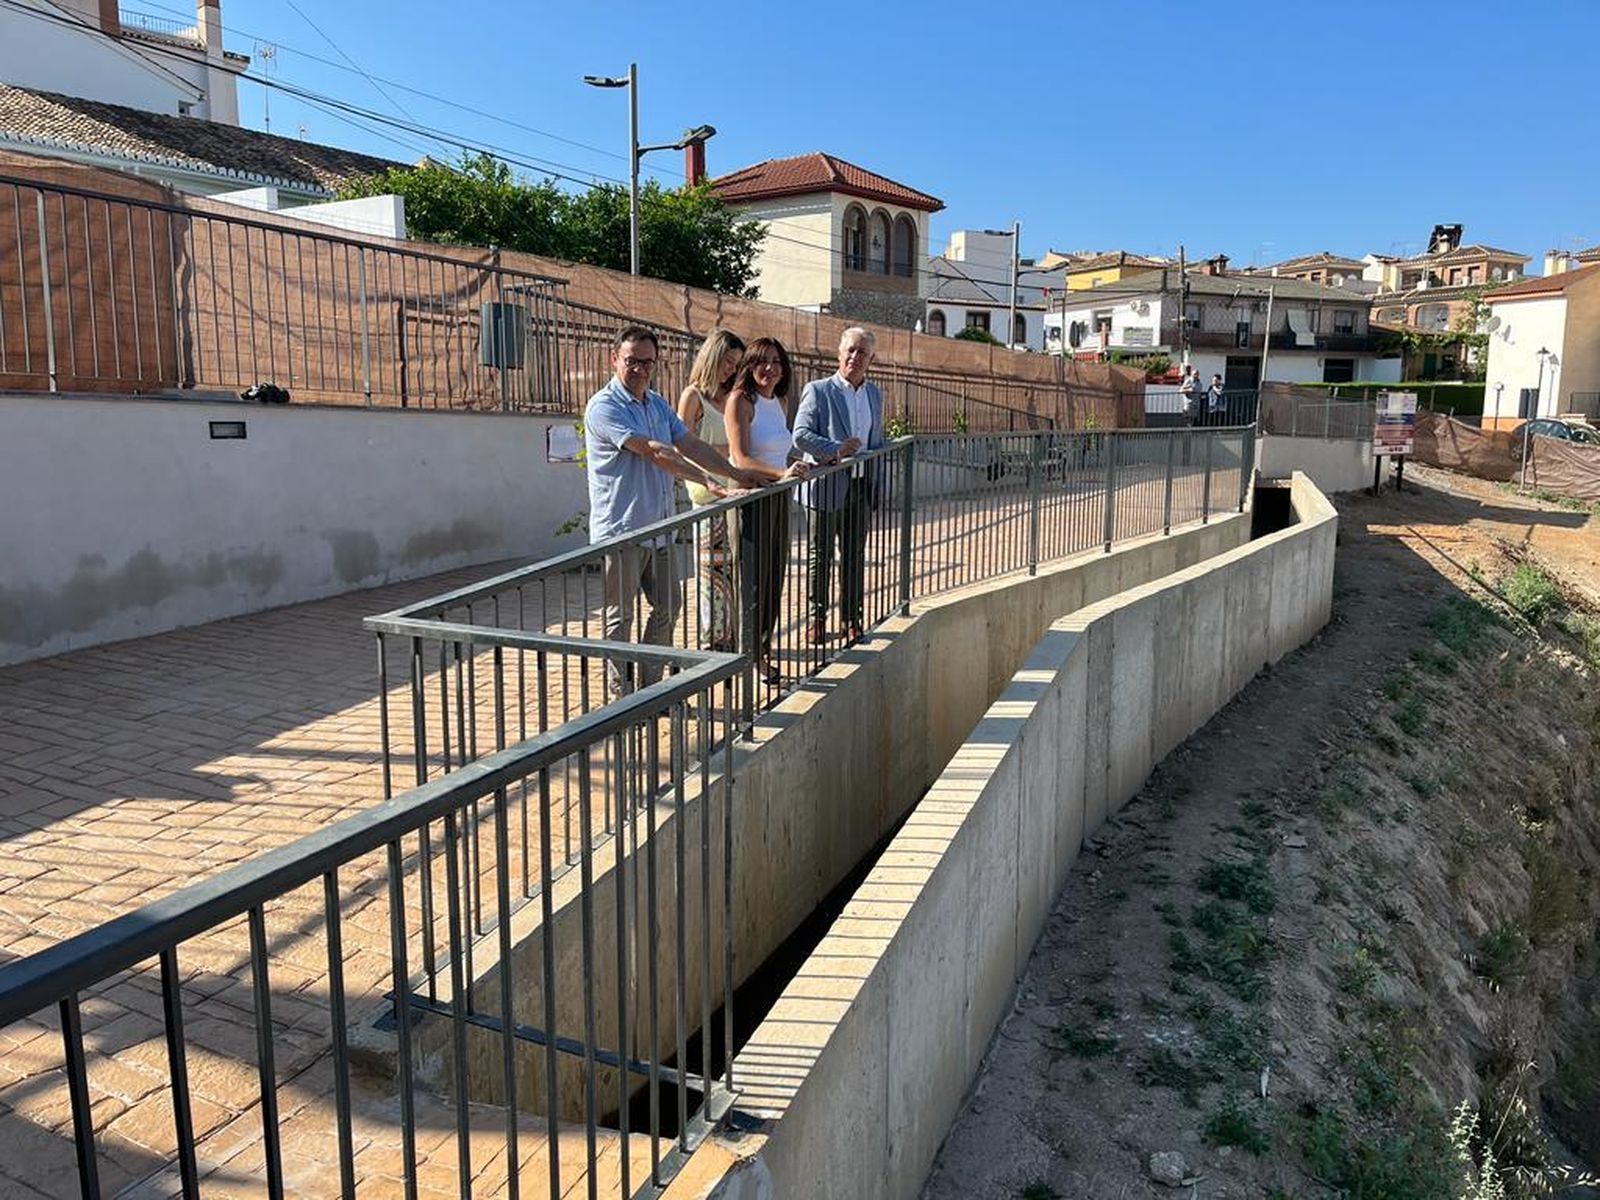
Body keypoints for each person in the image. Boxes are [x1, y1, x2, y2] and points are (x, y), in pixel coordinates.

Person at [584, 325, 759, 698]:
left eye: (647, 362)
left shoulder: (657, 404)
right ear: (614, 359)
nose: (640, 369)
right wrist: (708, 481)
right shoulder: (605, 406)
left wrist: (733, 473)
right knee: (620, 618)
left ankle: (650, 687)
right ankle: (621, 695)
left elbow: (688, 443)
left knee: (669, 605)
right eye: (632, 361)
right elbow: (655, 452)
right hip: (624, 531)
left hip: (660, 528)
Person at [793, 327, 886, 646]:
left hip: (861, 485)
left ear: (871, 359)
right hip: (825, 486)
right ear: (838, 353)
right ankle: (816, 618)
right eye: (850, 350)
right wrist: (836, 449)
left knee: (854, 555)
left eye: (862, 352)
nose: (855, 357)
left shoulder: (875, 394)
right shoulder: (819, 390)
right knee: (820, 555)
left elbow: (877, 440)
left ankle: (851, 619)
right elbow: (800, 435)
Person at [725, 337, 808, 686]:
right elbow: (742, 458)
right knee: (753, 582)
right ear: (749, 366)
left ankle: (762, 650)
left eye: (776, 361)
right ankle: (750, 658)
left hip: (778, 496)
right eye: (762, 361)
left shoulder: (780, 400)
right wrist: (782, 474)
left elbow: (779, 452)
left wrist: (802, 464)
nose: (770, 369)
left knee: (774, 578)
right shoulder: (740, 401)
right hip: (752, 498)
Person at [677, 329, 746, 652]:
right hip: (707, 497)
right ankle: (712, 644)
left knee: (734, 575)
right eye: (728, 362)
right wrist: (728, 450)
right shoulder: (694, 396)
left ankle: (732, 640)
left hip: (736, 491)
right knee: (711, 578)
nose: (731, 370)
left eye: (736, 364)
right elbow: (682, 447)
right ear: (713, 358)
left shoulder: (732, 397)